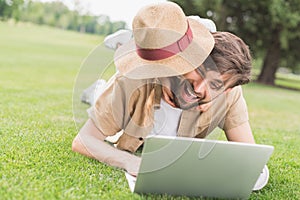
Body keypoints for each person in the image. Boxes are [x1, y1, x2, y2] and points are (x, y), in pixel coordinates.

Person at [72, 2, 267, 190]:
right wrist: (131, 162)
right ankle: (97, 87)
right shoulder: (131, 81)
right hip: (126, 98)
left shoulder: (225, 91)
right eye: (199, 73)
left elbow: (252, 160)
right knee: (103, 95)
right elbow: (84, 140)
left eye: (216, 84)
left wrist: (212, 96)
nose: (199, 88)